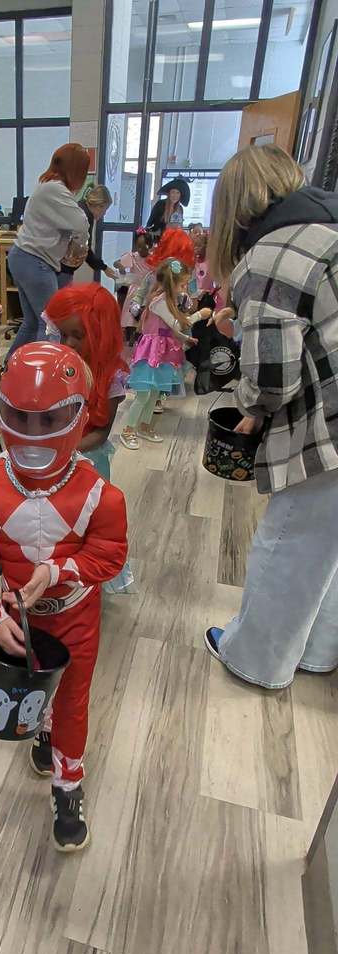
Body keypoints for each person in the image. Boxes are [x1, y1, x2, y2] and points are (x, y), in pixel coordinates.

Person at [0, 343, 128, 851]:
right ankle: (45, 732)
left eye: (49, 419)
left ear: (76, 415)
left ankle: (68, 784)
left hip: (75, 616)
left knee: (73, 700)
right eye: (19, 418)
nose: (33, 435)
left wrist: (58, 570)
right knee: (30, 689)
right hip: (18, 618)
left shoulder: (102, 497)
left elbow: (110, 558)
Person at [204, 144, 338, 689]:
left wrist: (252, 410)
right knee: (328, 549)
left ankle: (254, 659)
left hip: (327, 428)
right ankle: (315, 650)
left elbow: (274, 378)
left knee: (288, 542)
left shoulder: (269, 257)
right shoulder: (326, 231)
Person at [44, 283, 134, 593]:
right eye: (63, 334)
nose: (67, 343)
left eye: (77, 336)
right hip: (52, 461)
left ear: (99, 335)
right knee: (51, 522)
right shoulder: (55, 365)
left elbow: (100, 433)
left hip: (86, 464)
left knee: (83, 524)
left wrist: (61, 451)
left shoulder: (113, 378)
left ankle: (83, 584)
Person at [7, 144, 90, 357]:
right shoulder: (55, 189)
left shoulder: (48, 186)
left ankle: (10, 370)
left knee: (34, 321)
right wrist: (81, 241)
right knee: (52, 324)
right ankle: (41, 378)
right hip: (35, 260)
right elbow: (81, 223)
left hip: (23, 257)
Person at [121, 258, 211, 449]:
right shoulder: (159, 302)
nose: (185, 287)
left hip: (162, 350)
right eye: (182, 283)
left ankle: (144, 426)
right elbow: (177, 323)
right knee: (144, 395)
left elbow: (171, 329)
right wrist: (199, 315)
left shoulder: (168, 301)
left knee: (154, 393)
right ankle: (128, 430)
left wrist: (184, 339)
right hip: (151, 351)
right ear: (172, 283)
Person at [58, 184, 117, 288]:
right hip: (61, 267)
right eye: (105, 210)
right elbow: (84, 249)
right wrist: (104, 268)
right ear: (100, 206)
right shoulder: (85, 216)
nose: (104, 214)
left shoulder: (80, 207)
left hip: (59, 264)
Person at [116, 228, 156, 345]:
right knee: (131, 317)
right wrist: (121, 266)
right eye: (138, 246)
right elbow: (117, 262)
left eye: (144, 247)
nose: (140, 249)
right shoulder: (133, 256)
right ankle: (130, 338)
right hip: (135, 290)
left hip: (149, 290)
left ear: (150, 245)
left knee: (145, 317)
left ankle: (143, 338)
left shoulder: (153, 258)